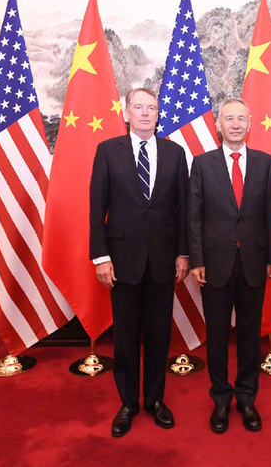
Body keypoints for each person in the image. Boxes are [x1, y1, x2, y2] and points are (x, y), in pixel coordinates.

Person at [89, 87, 189, 438]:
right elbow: (96, 207)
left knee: (160, 335)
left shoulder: (175, 153)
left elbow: (184, 209)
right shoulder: (108, 151)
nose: (146, 113)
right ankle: (129, 403)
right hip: (121, 260)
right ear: (126, 112)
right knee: (127, 337)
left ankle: (156, 400)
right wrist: (101, 256)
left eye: (152, 108)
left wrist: (183, 252)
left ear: (158, 113)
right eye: (139, 107)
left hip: (164, 260)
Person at [188, 97, 271, 434]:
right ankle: (221, 399)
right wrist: (196, 259)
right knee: (216, 336)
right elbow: (193, 216)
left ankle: (246, 397)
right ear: (218, 124)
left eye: (242, 118)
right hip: (214, 264)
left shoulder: (265, 162)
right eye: (229, 118)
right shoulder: (202, 164)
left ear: (250, 123)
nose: (236, 124)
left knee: (249, 335)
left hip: (254, 262)